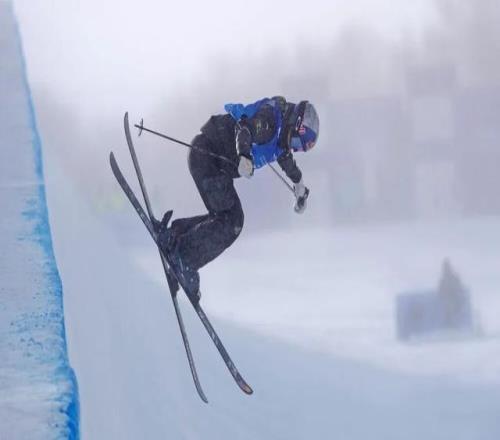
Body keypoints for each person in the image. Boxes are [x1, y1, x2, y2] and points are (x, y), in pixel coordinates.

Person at [153, 96, 320, 302]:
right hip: (206, 155)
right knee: (232, 222)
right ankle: (184, 258)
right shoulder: (269, 121)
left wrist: (299, 184)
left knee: (226, 218)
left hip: (211, 163)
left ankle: (176, 237)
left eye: (299, 148)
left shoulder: (281, 138)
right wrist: (244, 155)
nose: (293, 148)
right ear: (295, 125)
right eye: (296, 142)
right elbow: (245, 130)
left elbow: (286, 160)